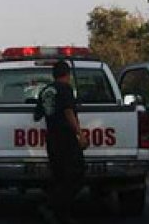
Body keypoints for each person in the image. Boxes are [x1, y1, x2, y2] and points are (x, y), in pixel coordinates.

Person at [37, 61, 89, 224]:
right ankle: (52, 206)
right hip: (66, 138)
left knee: (59, 177)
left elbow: (37, 114)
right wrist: (80, 134)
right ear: (67, 74)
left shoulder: (45, 91)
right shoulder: (65, 89)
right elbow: (68, 112)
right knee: (76, 174)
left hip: (52, 139)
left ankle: (60, 214)